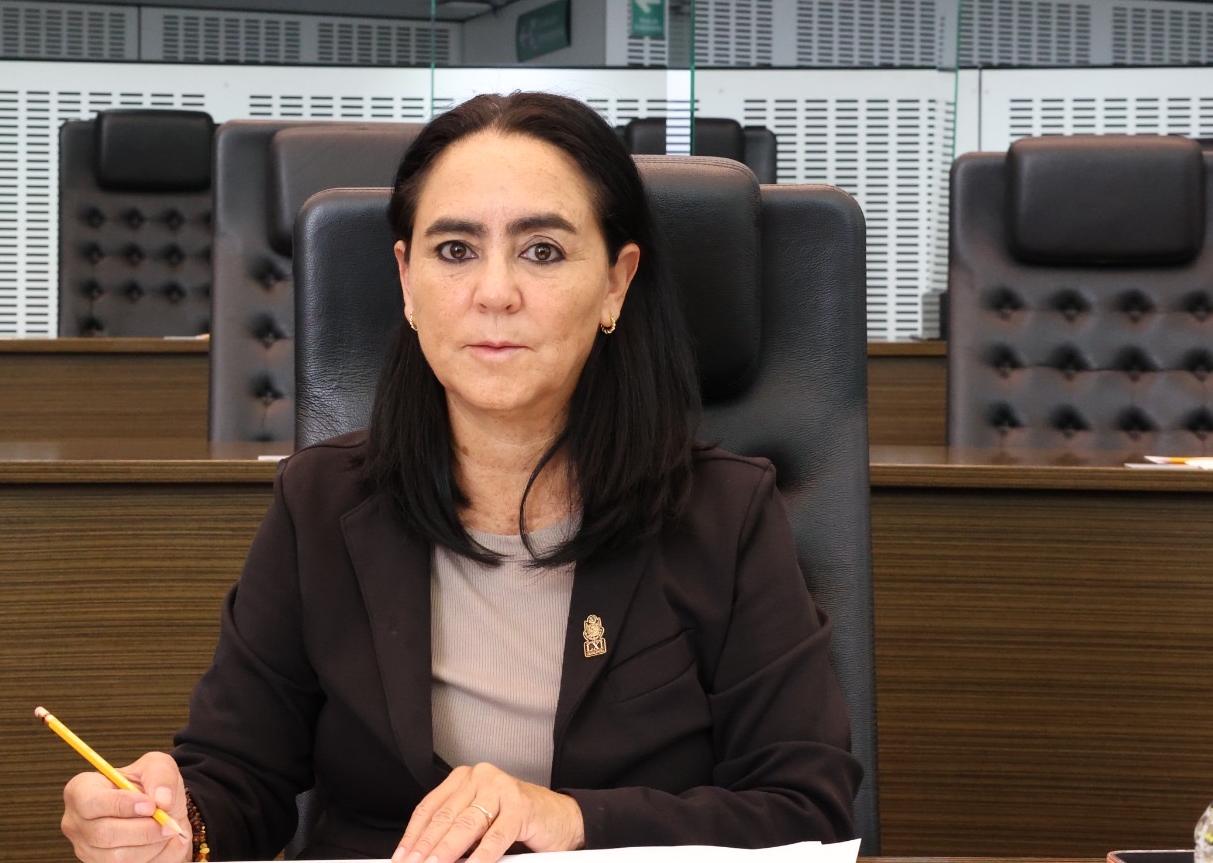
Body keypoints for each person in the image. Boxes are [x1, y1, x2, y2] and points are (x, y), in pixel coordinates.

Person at [58, 92, 861, 863]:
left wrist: (571, 819)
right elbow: (239, 776)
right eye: (455, 251)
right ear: (407, 282)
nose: (494, 293)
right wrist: (175, 825)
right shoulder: (321, 502)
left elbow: (806, 806)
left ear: (616, 283)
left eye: (542, 251)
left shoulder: (725, 514)